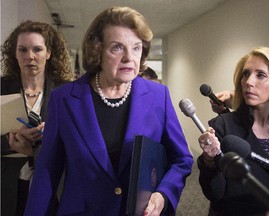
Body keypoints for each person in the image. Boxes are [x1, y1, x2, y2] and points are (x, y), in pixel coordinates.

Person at [24, 6, 193, 216]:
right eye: (117, 48)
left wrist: (163, 194)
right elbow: (47, 172)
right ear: (97, 51)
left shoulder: (159, 96)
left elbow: (182, 159)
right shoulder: (65, 99)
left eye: (137, 48)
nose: (129, 57)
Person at [197, 47, 269, 216]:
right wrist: (209, 160)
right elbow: (214, 193)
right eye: (246, 74)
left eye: (260, 75)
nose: (249, 82)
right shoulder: (223, 126)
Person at [1, 20, 73, 216]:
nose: (30, 56)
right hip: (7, 186)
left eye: (37, 49)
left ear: (49, 53)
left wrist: (36, 148)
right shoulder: (1, 89)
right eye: (23, 50)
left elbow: (75, 143)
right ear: (14, 54)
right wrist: (10, 141)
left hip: (53, 183)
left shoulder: (66, 92)